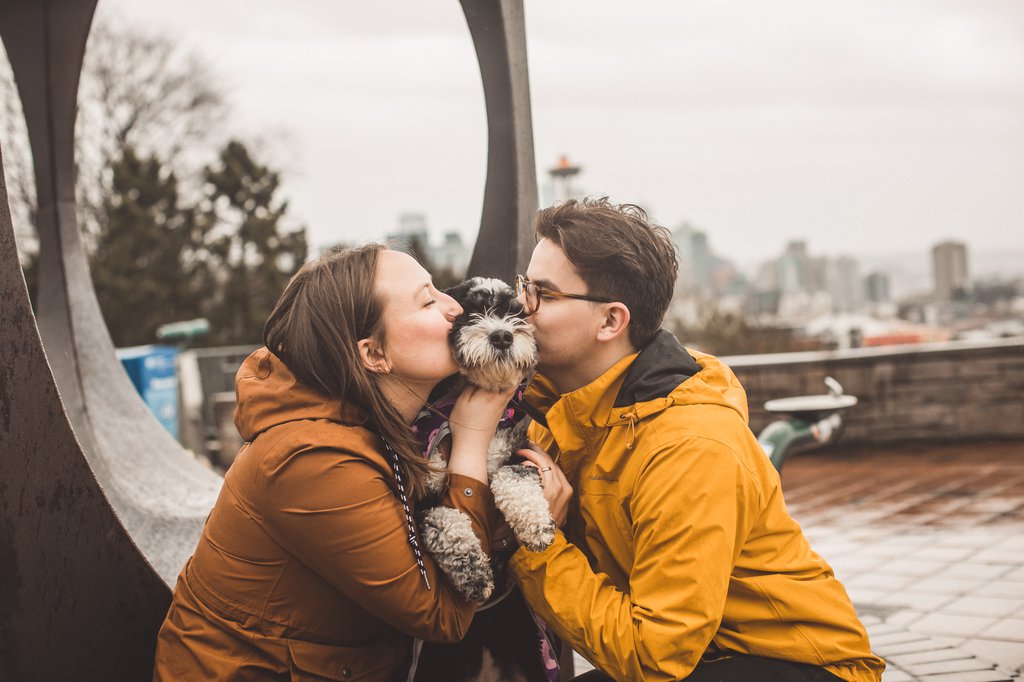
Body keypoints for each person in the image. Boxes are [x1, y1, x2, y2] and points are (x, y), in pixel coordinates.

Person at [508, 198, 885, 682]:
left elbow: (655, 657)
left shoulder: (688, 445)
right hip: (701, 653)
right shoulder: (558, 405)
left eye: (544, 292)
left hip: (799, 665)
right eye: (524, 285)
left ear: (610, 321)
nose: (521, 305)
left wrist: (536, 545)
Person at [153, 244, 516, 681]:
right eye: (427, 299)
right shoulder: (311, 459)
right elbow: (443, 615)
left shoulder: (376, 425)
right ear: (374, 355)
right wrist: (474, 439)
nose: (454, 307)